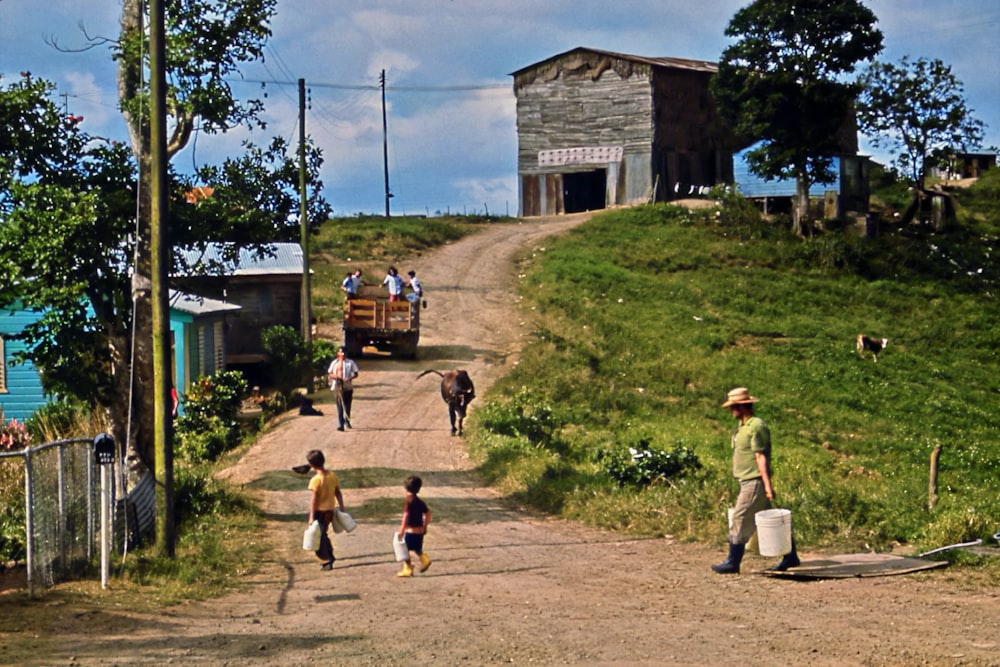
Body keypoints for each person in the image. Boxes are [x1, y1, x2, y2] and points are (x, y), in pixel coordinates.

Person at [712, 387, 800, 574]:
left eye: (733, 407)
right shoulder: (743, 427)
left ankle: (733, 562)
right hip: (747, 480)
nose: (731, 411)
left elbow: (761, 456)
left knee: (740, 517)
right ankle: (791, 555)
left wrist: (767, 485)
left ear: (742, 406)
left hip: (755, 480)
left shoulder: (756, 426)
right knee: (771, 518)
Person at [306, 449, 345, 571]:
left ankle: (326, 559)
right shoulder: (332, 476)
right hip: (330, 510)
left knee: (318, 537)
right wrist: (342, 507)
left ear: (311, 465)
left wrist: (311, 516)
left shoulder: (316, 480)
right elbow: (338, 492)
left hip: (319, 511)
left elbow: (314, 499)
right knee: (323, 534)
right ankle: (330, 556)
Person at [397, 475, 432, 577]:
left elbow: (405, 517)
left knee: (404, 551)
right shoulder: (420, 502)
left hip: (410, 531)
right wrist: (425, 526)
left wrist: (402, 531)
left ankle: (408, 568)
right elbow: (428, 514)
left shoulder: (408, 501)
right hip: (420, 531)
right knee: (417, 549)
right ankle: (425, 560)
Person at [327, 346, 359, 431]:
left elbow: (356, 373)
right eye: (341, 352)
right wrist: (335, 377)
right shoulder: (334, 363)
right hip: (337, 386)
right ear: (338, 353)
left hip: (347, 386)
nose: (343, 354)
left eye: (344, 352)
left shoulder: (350, 363)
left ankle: (347, 420)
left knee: (347, 405)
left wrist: (349, 379)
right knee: (339, 405)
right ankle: (341, 424)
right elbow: (329, 373)